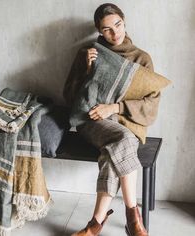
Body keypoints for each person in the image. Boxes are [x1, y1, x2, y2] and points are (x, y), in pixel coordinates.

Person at [63, 3, 160, 236]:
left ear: (124, 22)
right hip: (92, 122)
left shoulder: (141, 59)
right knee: (123, 140)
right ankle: (133, 217)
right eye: (107, 29)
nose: (115, 33)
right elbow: (69, 96)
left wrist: (115, 107)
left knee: (115, 149)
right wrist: (87, 71)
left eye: (117, 25)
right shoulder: (89, 53)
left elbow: (152, 104)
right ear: (99, 30)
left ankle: (95, 224)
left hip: (127, 123)